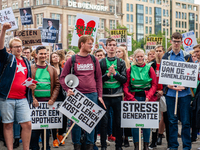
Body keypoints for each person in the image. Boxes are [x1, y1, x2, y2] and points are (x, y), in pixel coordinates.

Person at [60, 35, 105, 150]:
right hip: (76, 95)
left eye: (92, 43)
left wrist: (99, 95)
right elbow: (63, 77)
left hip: (92, 94)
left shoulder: (94, 59)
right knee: (75, 122)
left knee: (91, 122)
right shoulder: (72, 59)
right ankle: (77, 145)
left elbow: (99, 78)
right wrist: (67, 89)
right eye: (89, 43)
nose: (92, 46)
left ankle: (90, 145)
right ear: (82, 44)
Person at [0, 23, 36, 150]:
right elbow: (0, 49)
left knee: (27, 124)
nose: (19, 49)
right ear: (10, 49)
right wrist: (3, 30)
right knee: (8, 125)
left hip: (22, 99)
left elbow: (27, 79)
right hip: (7, 98)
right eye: (16, 47)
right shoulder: (7, 58)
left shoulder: (26, 61)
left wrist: (31, 86)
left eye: (20, 46)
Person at [162, 32, 193, 150]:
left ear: (181, 42)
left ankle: (186, 146)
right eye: (174, 41)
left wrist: (184, 86)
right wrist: (168, 85)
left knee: (185, 121)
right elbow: (163, 76)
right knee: (172, 121)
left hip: (184, 94)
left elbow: (192, 75)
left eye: (178, 41)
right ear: (171, 41)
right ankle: (173, 146)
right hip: (170, 94)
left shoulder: (187, 56)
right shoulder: (166, 56)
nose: (176, 43)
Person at [123, 49, 157, 150]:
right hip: (134, 98)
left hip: (147, 98)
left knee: (147, 123)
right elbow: (125, 86)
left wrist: (149, 96)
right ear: (134, 57)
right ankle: (136, 146)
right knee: (135, 124)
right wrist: (132, 98)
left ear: (144, 57)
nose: (140, 58)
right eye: (138, 56)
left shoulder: (149, 68)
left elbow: (154, 84)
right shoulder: (130, 69)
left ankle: (146, 145)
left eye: (142, 56)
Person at [30, 46, 60, 150]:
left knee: (46, 131)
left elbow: (57, 85)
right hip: (34, 105)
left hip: (47, 104)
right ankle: (34, 147)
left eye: (45, 54)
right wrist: (33, 98)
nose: (43, 55)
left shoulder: (52, 69)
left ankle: (46, 147)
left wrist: (52, 99)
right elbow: (28, 85)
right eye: (41, 54)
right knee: (34, 132)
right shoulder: (31, 69)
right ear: (36, 55)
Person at [99, 38, 127, 150]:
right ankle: (104, 146)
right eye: (109, 45)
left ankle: (119, 146)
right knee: (104, 123)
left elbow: (124, 79)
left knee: (118, 122)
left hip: (117, 96)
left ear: (116, 47)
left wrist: (115, 74)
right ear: (105, 47)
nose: (111, 47)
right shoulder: (101, 62)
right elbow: (98, 80)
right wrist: (107, 74)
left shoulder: (121, 62)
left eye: (114, 45)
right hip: (105, 97)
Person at [50, 52, 67, 148]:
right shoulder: (49, 70)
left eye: (57, 56)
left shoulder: (63, 70)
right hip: (53, 97)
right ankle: (54, 139)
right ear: (51, 59)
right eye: (53, 56)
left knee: (63, 118)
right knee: (53, 118)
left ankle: (60, 135)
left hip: (63, 96)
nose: (56, 58)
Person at [116, 46, 130, 147]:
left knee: (127, 116)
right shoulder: (113, 63)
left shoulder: (129, 64)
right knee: (119, 118)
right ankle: (119, 137)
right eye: (116, 51)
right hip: (118, 92)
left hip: (127, 93)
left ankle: (126, 138)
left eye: (119, 51)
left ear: (123, 53)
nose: (117, 53)